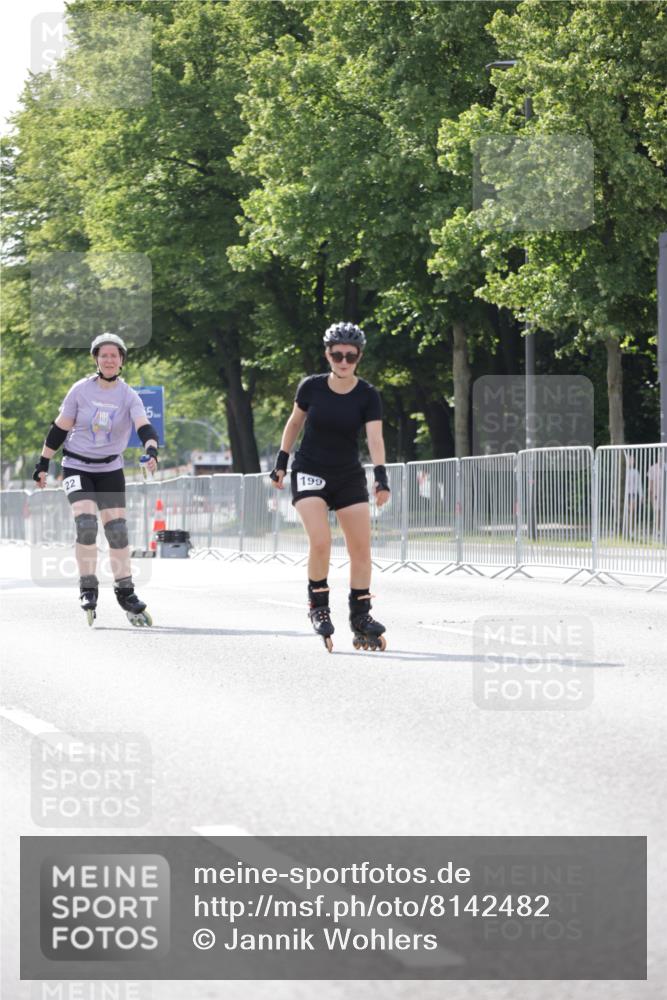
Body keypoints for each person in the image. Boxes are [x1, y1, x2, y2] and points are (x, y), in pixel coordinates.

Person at [270, 322, 391, 651]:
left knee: (361, 549)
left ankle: (360, 617)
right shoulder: (311, 387)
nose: (343, 361)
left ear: (358, 357)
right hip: (310, 470)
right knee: (321, 541)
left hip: (348, 474)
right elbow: (295, 422)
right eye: (336, 354)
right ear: (327, 354)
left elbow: (375, 437)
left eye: (350, 356)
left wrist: (381, 477)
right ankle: (319, 606)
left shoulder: (367, 395)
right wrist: (282, 462)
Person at [32, 333, 158, 626]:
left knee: (117, 531)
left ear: (122, 360)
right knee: (87, 525)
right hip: (76, 466)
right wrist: (42, 464)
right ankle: (88, 587)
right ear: (96, 360)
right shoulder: (80, 391)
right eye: (104, 355)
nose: (110, 360)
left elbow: (144, 428)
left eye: (115, 355)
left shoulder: (129, 396)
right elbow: (59, 429)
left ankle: (126, 592)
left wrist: (152, 451)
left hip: (110, 468)